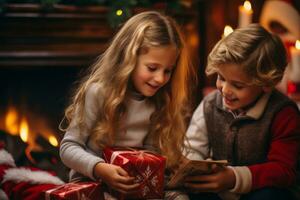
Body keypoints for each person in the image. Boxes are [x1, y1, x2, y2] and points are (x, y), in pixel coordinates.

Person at [59, 11, 193, 199]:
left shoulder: (160, 100)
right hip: (93, 183)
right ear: (128, 59)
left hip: (135, 187)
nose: (160, 78)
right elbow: (68, 148)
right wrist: (100, 168)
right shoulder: (98, 92)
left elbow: (150, 153)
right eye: (152, 68)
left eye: (168, 71)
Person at [183, 24, 300, 200]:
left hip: (259, 191)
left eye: (238, 85)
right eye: (221, 78)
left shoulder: (283, 114)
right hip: (218, 192)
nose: (225, 90)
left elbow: (283, 170)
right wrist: (195, 168)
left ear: (267, 84)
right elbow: (192, 149)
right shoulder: (210, 104)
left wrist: (233, 178)